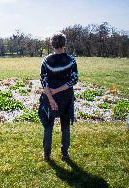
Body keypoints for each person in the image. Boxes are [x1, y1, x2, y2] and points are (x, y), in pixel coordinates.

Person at [38, 33, 78, 161]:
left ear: (52, 44)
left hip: (50, 96)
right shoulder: (71, 60)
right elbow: (74, 80)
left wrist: (50, 97)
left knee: (48, 125)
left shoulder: (46, 60)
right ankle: (65, 154)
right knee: (65, 126)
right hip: (66, 97)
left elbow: (44, 81)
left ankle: (46, 155)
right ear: (64, 43)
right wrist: (59, 90)